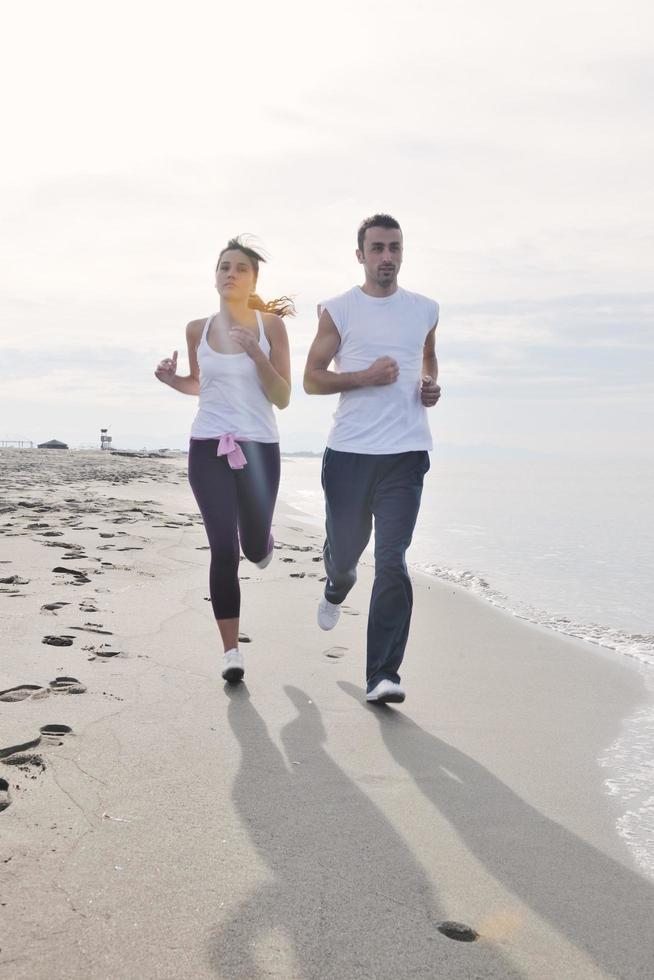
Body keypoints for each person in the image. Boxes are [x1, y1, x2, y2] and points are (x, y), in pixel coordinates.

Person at [303, 214, 440, 705]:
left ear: (403, 252)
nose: (387, 257)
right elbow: (313, 379)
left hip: (405, 455)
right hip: (349, 456)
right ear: (360, 255)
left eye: (395, 248)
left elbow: (427, 357)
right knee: (345, 558)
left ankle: (383, 674)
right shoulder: (339, 310)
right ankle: (336, 585)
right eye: (377, 248)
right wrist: (364, 376)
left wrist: (430, 389)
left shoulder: (425, 309)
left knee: (392, 561)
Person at [155, 238, 293, 683]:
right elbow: (201, 384)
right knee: (223, 550)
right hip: (208, 446)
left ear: (253, 279)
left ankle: (263, 541)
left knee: (253, 548)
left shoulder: (270, 326)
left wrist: (256, 353)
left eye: (240, 269)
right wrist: (172, 380)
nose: (230, 274)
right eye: (223, 267)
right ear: (215, 276)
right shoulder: (198, 329)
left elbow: (283, 396)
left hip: (259, 447)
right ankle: (231, 651)